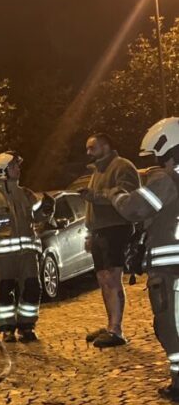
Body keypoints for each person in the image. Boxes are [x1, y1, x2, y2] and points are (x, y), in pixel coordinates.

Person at [104, 118, 179, 401]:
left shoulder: (166, 180)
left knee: (169, 327)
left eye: (157, 157)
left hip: (171, 271)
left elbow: (134, 209)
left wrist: (116, 194)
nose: (156, 162)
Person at [0, 152, 55, 343]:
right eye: (14, 166)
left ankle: (27, 327)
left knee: (32, 289)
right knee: (4, 291)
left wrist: (47, 209)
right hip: (4, 257)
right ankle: (7, 329)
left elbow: (39, 217)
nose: (18, 169)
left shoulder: (27, 194)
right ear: (2, 171)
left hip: (28, 254)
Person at [80, 133, 142, 347]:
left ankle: (116, 329)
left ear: (106, 146)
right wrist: (89, 233)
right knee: (103, 279)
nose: (88, 152)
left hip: (116, 229)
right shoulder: (98, 170)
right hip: (100, 231)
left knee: (112, 278)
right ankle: (110, 325)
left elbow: (129, 197)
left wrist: (96, 196)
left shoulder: (122, 166)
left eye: (92, 147)